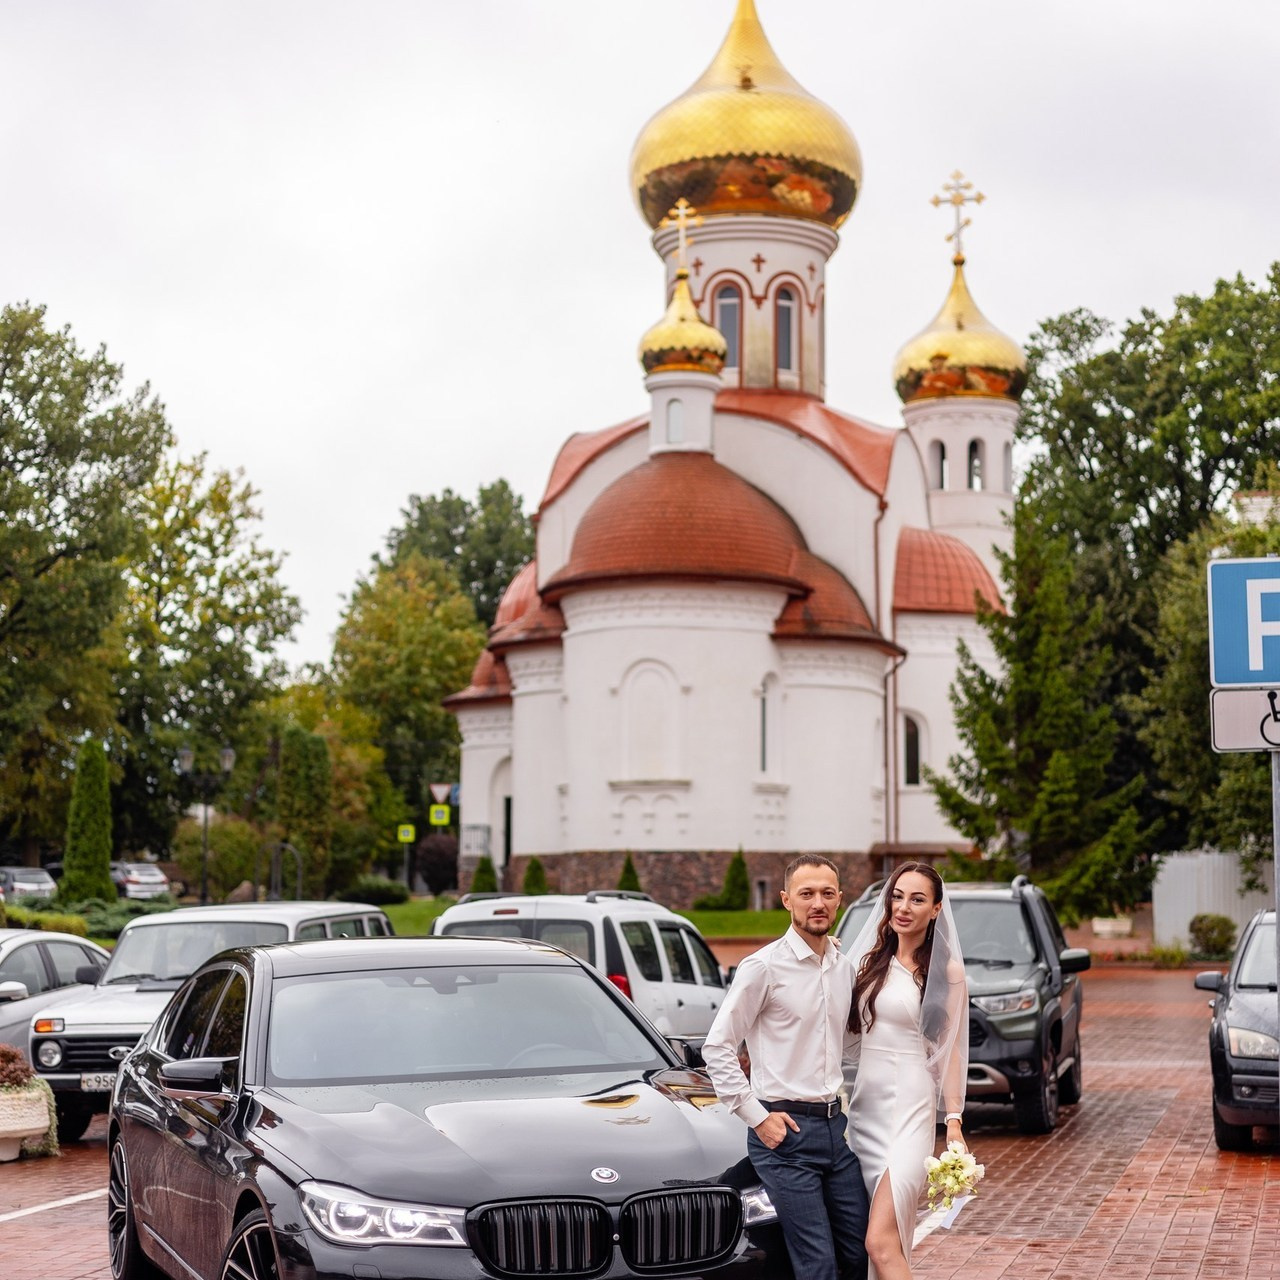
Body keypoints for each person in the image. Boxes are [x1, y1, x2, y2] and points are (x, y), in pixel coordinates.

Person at [702, 855, 868, 1280]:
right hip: (785, 1135)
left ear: (840, 900)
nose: (818, 903)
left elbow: (849, 1046)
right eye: (806, 893)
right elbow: (717, 1046)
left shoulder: (842, 967)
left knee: (860, 1252)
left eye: (827, 894)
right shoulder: (763, 967)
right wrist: (757, 1118)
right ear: (786, 900)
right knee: (817, 1265)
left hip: (834, 1131)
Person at [843, 862, 970, 1280]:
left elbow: (950, 1051)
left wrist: (953, 1121)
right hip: (865, 1112)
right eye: (897, 896)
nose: (903, 907)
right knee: (884, 1244)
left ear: (936, 909)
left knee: (879, 1242)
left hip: (911, 1110)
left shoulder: (947, 972)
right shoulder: (867, 963)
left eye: (917, 899)